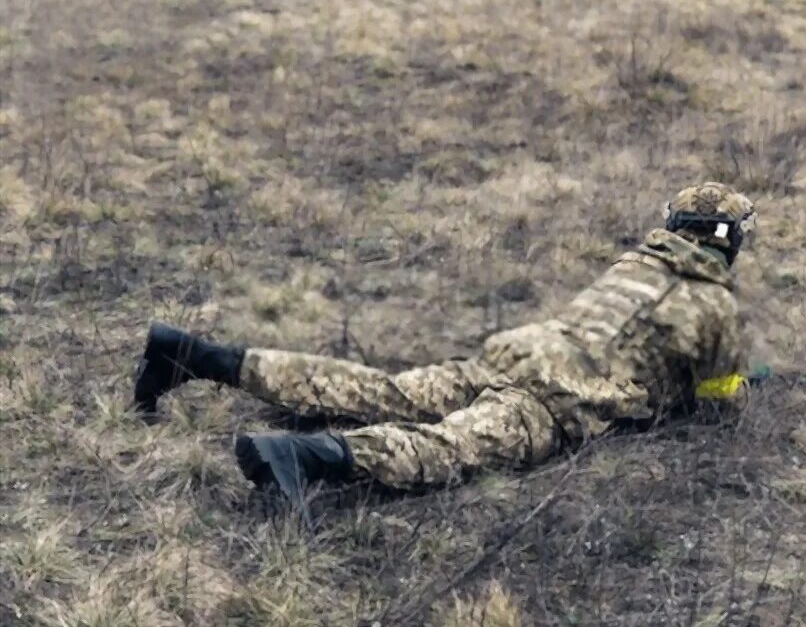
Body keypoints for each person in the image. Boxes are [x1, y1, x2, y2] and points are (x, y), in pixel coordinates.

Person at [134, 182, 759, 502]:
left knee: (377, 387)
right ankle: (312, 457)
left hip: (517, 351)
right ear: (729, 242)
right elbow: (718, 402)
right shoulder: (716, 307)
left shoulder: (631, 264)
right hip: (560, 397)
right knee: (449, 448)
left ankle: (194, 354)